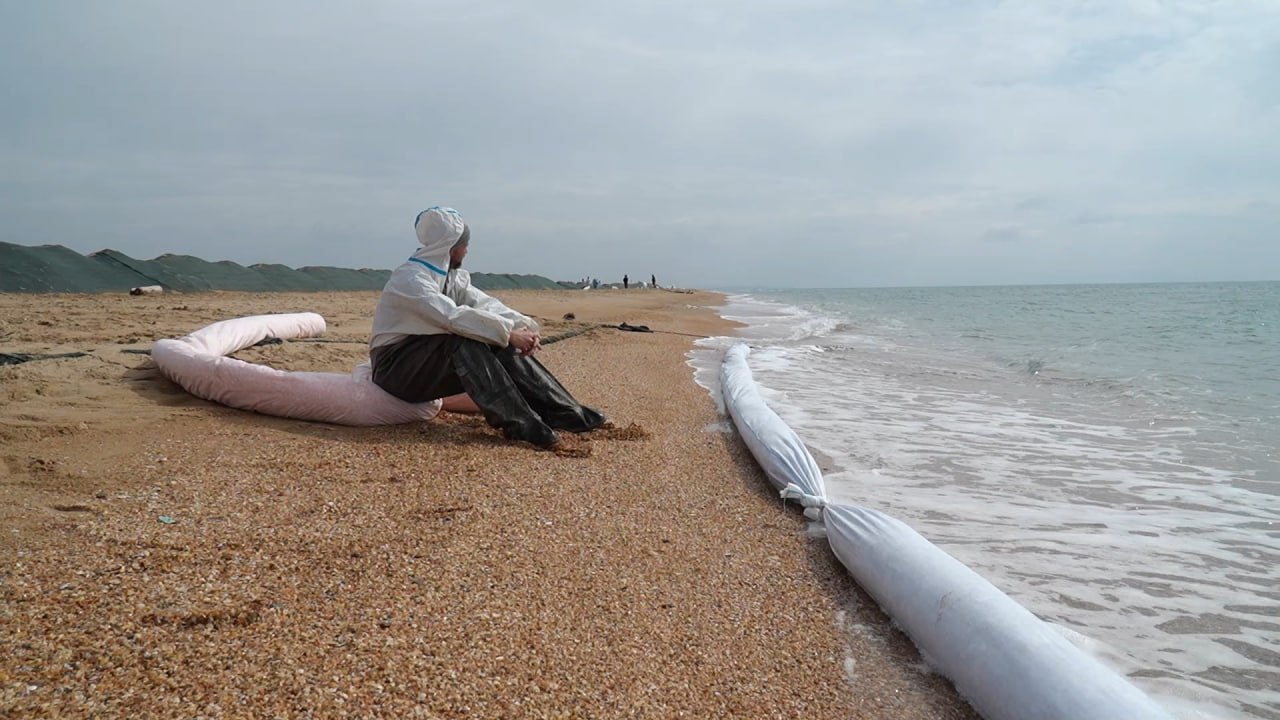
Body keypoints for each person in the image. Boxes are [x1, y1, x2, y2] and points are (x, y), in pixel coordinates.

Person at [369, 206, 607, 449]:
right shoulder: (410, 280)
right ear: (449, 247)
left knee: (492, 338)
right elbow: (452, 317)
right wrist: (508, 334)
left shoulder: (452, 277)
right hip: (395, 369)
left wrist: (523, 325)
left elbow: (483, 304)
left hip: (426, 363)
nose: (468, 249)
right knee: (463, 341)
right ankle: (519, 424)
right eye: (465, 244)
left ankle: (564, 411)